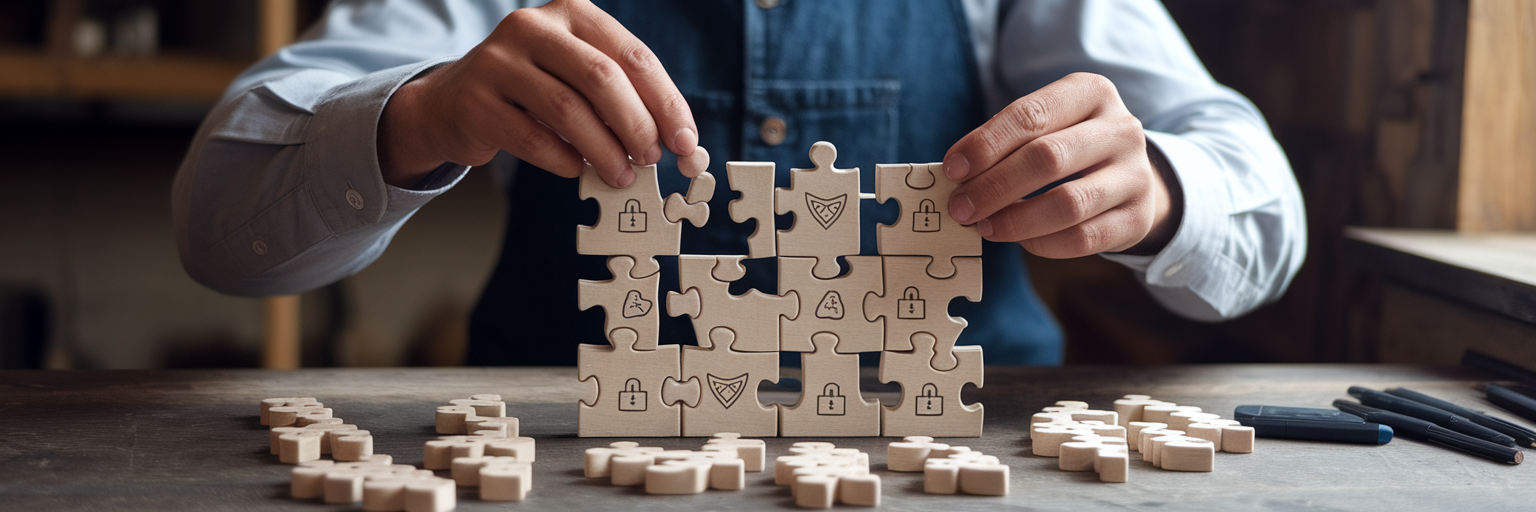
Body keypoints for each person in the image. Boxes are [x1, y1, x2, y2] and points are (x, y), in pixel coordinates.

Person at [173, 0, 1305, 365]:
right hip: (571, 469)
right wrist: (420, 111)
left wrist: (1157, 183)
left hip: (957, 465)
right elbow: (220, 227)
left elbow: (1263, 205)